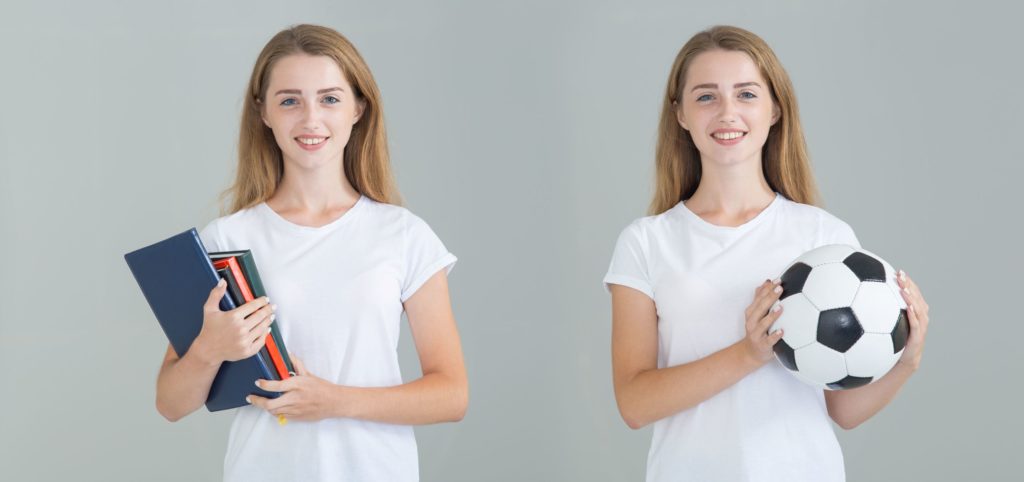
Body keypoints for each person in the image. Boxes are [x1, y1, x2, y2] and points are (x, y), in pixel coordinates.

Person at [604, 25, 930, 481]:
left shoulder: (823, 237)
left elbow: (844, 410)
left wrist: (906, 360)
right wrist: (749, 354)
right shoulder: (646, 242)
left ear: (775, 108)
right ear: (679, 114)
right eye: (706, 97)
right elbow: (635, 404)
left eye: (746, 94)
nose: (727, 113)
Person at [154, 24, 467, 481]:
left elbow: (452, 395)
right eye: (289, 100)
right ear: (263, 112)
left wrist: (334, 400)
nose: (310, 119)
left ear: (359, 108)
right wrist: (208, 350)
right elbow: (170, 404)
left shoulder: (403, 235)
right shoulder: (226, 239)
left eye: (330, 98)